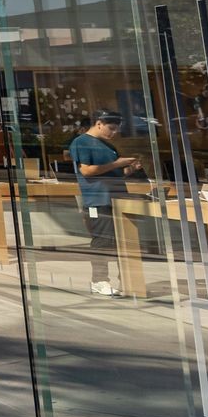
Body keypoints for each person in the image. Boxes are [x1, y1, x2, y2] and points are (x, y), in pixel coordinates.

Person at [68, 111, 143, 296]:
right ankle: (99, 280)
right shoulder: (81, 142)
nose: (114, 133)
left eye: (117, 129)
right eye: (111, 128)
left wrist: (130, 168)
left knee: (123, 240)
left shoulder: (108, 145)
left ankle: (127, 280)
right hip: (97, 199)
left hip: (118, 197)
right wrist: (117, 164)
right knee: (102, 240)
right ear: (99, 123)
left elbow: (115, 174)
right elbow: (86, 171)